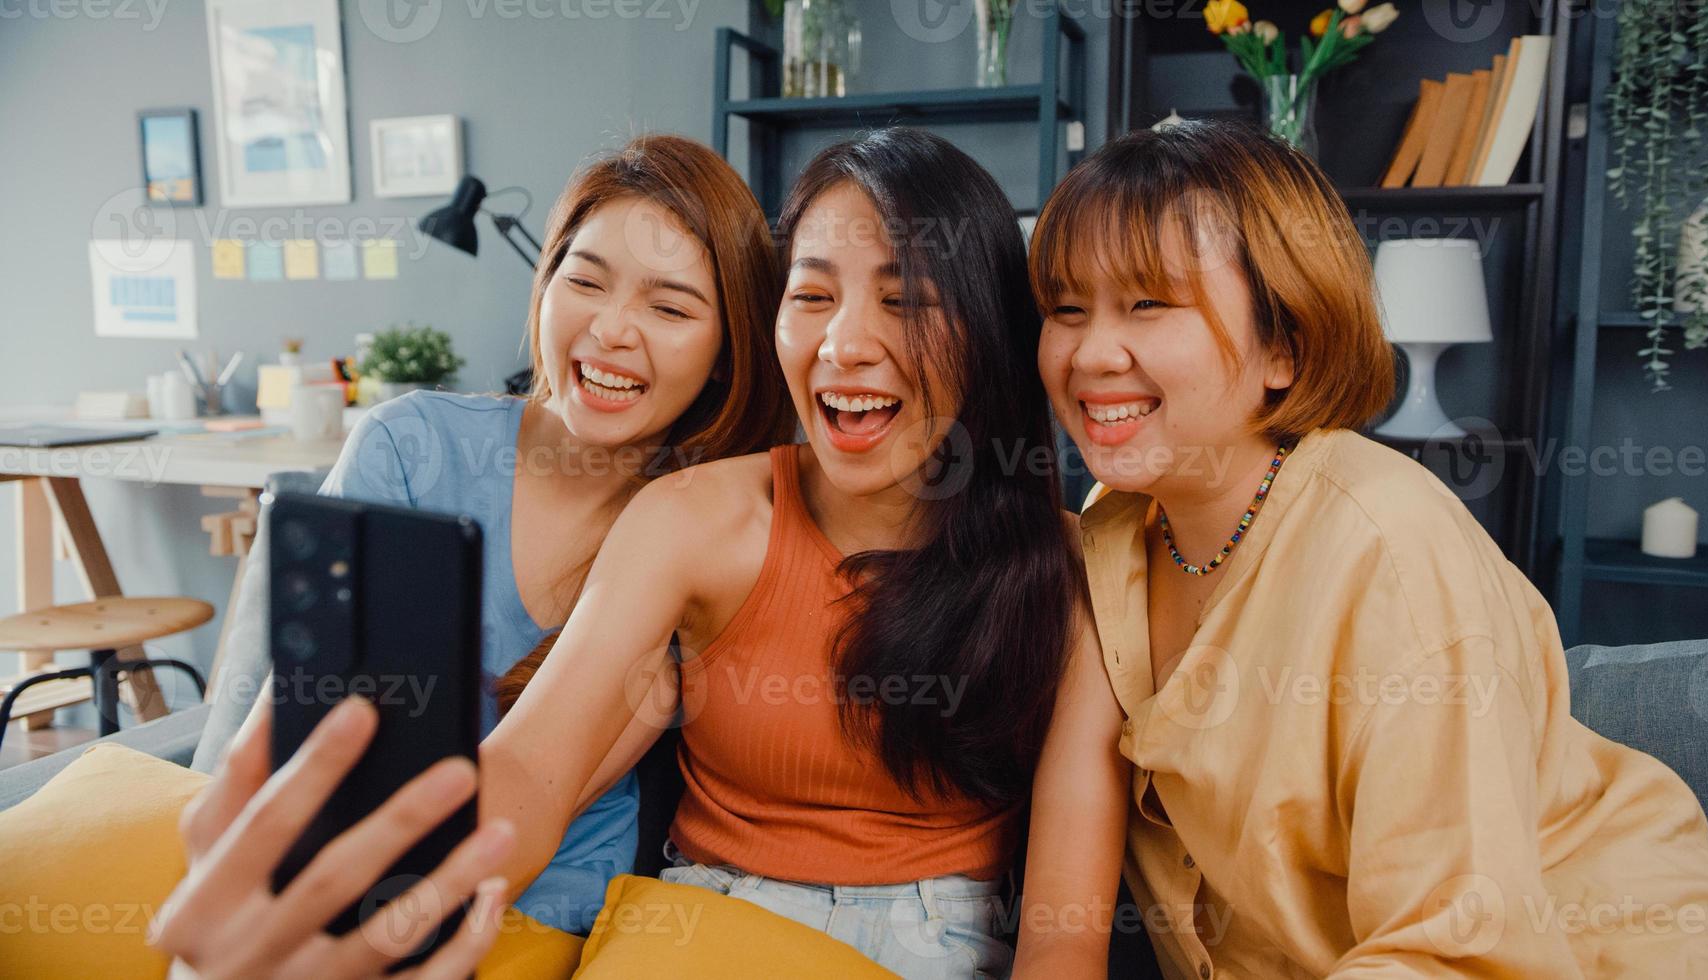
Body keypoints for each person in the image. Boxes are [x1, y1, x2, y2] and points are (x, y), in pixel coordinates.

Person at [154, 128, 1128, 980]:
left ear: (991, 333)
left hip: (947, 942)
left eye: (905, 300)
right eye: (813, 294)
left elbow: (1063, 937)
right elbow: (532, 768)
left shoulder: (1066, 569)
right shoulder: (690, 517)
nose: (843, 344)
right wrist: (382, 908)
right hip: (703, 923)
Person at [1031, 119, 1708, 978]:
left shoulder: (1387, 550)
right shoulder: (1115, 528)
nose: (1091, 352)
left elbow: (1458, 948)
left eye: (1148, 303)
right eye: (1066, 308)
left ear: (1282, 345)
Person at [151, 133, 793, 971]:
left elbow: (523, 812)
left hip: (528, 911)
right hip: (339, 872)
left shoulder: (694, 536)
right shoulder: (410, 448)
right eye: (585, 280)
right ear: (546, 283)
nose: (610, 330)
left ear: (723, 356)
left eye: (669, 309)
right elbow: (292, 724)